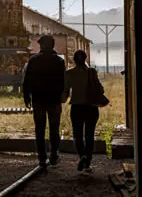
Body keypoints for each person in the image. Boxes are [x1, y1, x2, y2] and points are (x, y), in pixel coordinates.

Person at [23, 35, 66, 167]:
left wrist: (26, 96)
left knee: (40, 129)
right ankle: (54, 155)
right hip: (54, 100)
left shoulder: (34, 60)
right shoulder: (59, 61)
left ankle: (42, 158)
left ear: (41, 46)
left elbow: (27, 80)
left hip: (38, 100)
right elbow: (63, 81)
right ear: (52, 46)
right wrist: (62, 96)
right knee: (54, 129)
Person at [63, 49, 104, 173]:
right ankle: (88, 163)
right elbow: (101, 90)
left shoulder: (69, 73)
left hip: (77, 108)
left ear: (74, 60)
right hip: (91, 107)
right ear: (85, 59)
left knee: (78, 135)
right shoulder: (92, 72)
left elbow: (65, 93)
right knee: (90, 135)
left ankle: (82, 156)